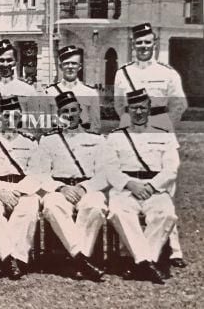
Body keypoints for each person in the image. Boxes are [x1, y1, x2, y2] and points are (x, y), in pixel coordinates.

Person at [113, 22, 188, 266]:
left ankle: (174, 250)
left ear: (154, 44)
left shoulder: (167, 73)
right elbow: (118, 105)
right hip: (133, 129)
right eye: (139, 43)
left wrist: (164, 125)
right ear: (133, 45)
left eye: (147, 42)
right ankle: (131, 251)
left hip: (160, 129)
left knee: (165, 190)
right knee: (129, 187)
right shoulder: (123, 73)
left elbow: (179, 104)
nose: (143, 47)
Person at [30, 91, 115, 282]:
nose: (69, 115)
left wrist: (84, 188)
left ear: (80, 111)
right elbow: (40, 174)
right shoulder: (48, 140)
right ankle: (82, 259)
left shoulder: (97, 140)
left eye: (73, 110)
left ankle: (78, 260)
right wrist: (61, 188)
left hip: (88, 188)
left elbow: (105, 173)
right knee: (52, 206)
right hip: (60, 189)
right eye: (64, 111)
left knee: (95, 207)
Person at [106, 89, 179, 284]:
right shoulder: (115, 137)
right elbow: (110, 169)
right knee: (118, 212)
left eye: (142, 108)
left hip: (155, 189)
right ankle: (147, 263)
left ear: (149, 109)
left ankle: (139, 262)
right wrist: (131, 184)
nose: (138, 112)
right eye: (134, 108)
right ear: (127, 110)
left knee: (166, 214)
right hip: (126, 189)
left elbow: (171, 169)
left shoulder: (165, 135)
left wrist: (152, 186)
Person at [0, 97, 41, 280]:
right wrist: (0, 191)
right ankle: (11, 258)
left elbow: (36, 174)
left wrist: (19, 191)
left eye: (15, 115)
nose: (10, 119)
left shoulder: (30, 141)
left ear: (20, 117)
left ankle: (3, 257)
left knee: (29, 206)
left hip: (22, 189)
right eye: (6, 115)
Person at [43, 45, 100, 132]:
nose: (70, 67)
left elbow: (95, 125)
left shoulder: (90, 92)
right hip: (59, 141)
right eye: (66, 63)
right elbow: (45, 125)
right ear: (61, 67)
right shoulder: (50, 92)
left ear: (80, 67)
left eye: (74, 63)